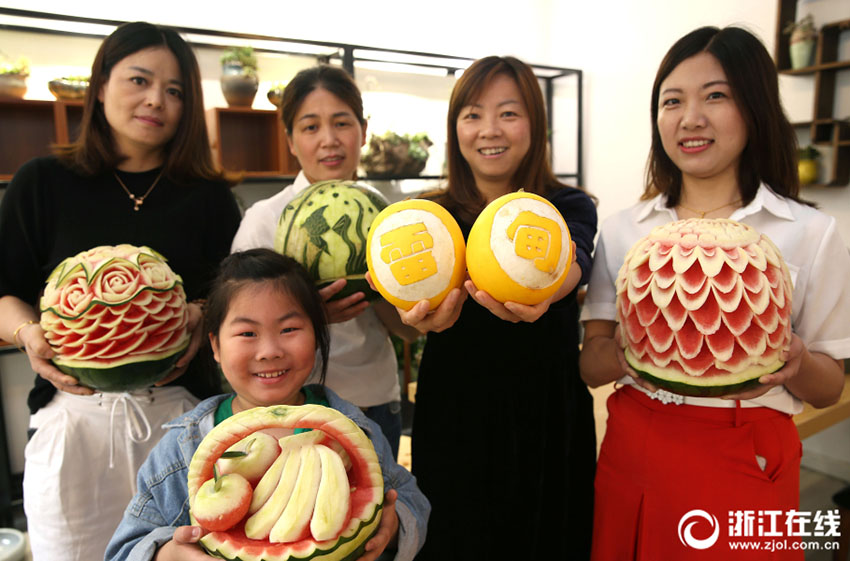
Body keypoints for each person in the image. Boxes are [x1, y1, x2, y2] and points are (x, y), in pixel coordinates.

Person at [580, 26, 850, 560]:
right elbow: (591, 364)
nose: (690, 118)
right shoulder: (622, 230)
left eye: (716, 96)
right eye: (672, 101)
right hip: (634, 447)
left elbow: (829, 386)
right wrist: (629, 353)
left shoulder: (813, 232)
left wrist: (796, 361)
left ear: (754, 107)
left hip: (748, 456)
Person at [0, 22, 241, 561]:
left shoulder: (209, 198)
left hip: (182, 422)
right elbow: (3, 289)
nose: (156, 99)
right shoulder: (41, 183)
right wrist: (26, 333)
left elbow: (230, 296)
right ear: (101, 84)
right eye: (139, 79)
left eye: (176, 91)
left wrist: (203, 313)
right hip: (74, 422)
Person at [379, 55, 598, 560]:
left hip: (546, 414)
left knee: (548, 540)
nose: (489, 130)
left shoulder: (567, 206)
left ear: (535, 124)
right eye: (473, 114)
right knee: (457, 540)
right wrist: (404, 312)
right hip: (456, 410)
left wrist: (543, 289)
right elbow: (408, 327)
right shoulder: (430, 216)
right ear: (455, 127)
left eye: (509, 112)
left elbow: (572, 265)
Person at [104, 248, 430, 561]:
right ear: (215, 345)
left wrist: (393, 524)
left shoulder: (356, 432)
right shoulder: (179, 450)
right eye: (247, 333)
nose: (269, 350)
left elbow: (410, 499)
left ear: (317, 336)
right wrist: (167, 555)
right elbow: (125, 547)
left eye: (289, 329)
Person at [230, 64, 419, 460]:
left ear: (363, 131)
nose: (329, 141)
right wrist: (310, 314)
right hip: (289, 411)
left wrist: (383, 291)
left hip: (372, 402)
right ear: (291, 140)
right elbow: (240, 330)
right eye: (311, 127)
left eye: (342, 123)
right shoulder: (266, 219)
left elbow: (408, 332)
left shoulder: (388, 216)